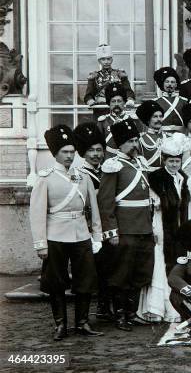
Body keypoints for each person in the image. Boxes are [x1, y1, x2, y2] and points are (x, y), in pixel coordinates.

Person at [30, 125, 104, 340]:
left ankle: (82, 323)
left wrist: (97, 236)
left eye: (72, 152)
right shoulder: (45, 178)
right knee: (56, 281)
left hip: (81, 234)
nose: (70, 156)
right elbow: (37, 213)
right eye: (65, 152)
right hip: (55, 235)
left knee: (86, 280)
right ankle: (61, 324)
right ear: (55, 154)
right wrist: (40, 243)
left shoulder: (84, 177)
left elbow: (94, 210)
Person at [97, 118, 154, 332]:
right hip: (124, 228)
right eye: (130, 141)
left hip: (144, 227)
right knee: (122, 273)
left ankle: (131, 313)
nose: (135, 144)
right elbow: (106, 201)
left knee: (140, 271)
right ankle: (120, 315)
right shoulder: (113, 166)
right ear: (120, 144)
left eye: (136, 139)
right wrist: (112, 232)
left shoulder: (141, 163)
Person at [138, 134, 188, 323]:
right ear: (164, 160)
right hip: (160, 225)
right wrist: (152, 229)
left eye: (177, 161)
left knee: (175, 262)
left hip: (177, 226)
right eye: (171, 161)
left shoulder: (183, 177)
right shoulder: (156, 178)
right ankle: (156, 307)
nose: (175, 165)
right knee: (161, 263)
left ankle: (175, 305)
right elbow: (152, 207)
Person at [73, 122, 115, 322]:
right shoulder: (79, 174)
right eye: (91, 150)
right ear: (83, 153)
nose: (96, 154)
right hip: (89, 227)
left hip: (109, 226)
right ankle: (91, 310)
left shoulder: (107, 171)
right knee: (91, 269)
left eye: (99, 150)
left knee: (109, 266)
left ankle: (106, 305)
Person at [84, 44, 135, 118]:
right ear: (99, 61)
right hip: (101, 110)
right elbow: (88, 95)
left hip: (118, 109)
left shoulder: (120, 74)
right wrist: (90, 101)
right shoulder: (94, 76)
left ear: (112, 59)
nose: (106, 62)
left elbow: (128, 90)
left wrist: (130, 99)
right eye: (103, 59)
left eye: (108, 59)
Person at [97, 83, 143, 159]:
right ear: (109, 103)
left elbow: (139, 144)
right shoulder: (103, 121)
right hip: (109, 160)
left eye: (119, 101)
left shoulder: (133, 120)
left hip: (129, 159)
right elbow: (99, 145)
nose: (116, 104)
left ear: (124, 102)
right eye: (113, 101)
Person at [153, 67, 188, 133]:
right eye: (167, 82)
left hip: (179, 136)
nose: (169, 84)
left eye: (172, 82)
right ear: (162, 84)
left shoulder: (184, 102)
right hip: (162, 136)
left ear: (176, 85)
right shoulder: (156, 102)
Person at [136, 100, 167, 171]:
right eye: (155, 117)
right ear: (148, 120)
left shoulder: (169, 137)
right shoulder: (141, 139)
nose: (159, 119)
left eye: (160, 116)